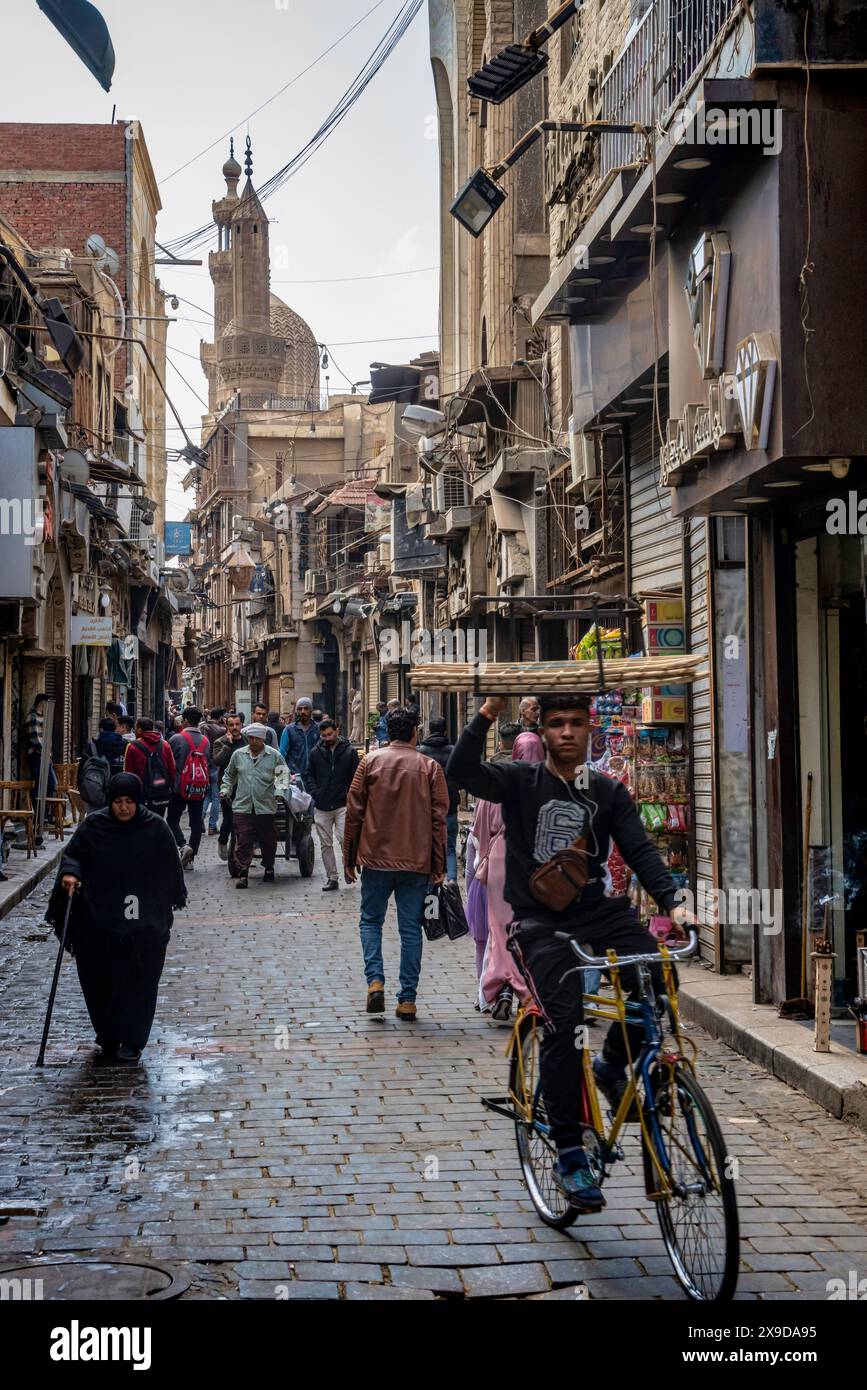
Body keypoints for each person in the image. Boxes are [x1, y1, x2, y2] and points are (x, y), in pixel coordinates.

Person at [447, 692, 692, 1210]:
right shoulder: (519, 780)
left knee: (657, 982)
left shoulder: (607, 790)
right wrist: (489, 710)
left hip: (595, 909)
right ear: (544, 730)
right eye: (556, 722)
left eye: (576, 723)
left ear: (588, 730)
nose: (565, 732)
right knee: (564, 1019)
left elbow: (640, 850)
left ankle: (611, 1064)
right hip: (537, 921)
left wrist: (676, 901)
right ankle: (568, 1151)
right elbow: (461, 769)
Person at [45, 772, 187, 1065]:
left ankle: (133, 1040)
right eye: (118, 802)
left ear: (138, 801)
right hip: (99, 920)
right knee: (100, 980)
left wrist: (157, 909)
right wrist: (71, 874)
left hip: (143, 925)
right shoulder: (95, 826)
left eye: (129, 802)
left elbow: (170, 874)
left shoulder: (156, 829)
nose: (123, 808)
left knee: (139, 982)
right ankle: (107, 1034)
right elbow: (73, 855)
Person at [344, 707, 448, 1022]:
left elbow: (354, 812)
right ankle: (408, 1000)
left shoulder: (370, 762)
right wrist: (439, 863)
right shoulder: (429, 767)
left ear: (388, 733)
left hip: (375, 859)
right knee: (410, 930)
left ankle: (375, 981)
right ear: (415, 732)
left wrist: (349, 857)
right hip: (415, 861)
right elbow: (438, 820)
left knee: (370, 922)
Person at [220, 723, 289, 889]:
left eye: (257, 738)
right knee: (243, 839)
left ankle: (269, 867)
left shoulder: (274, 756)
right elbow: (229, 776)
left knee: (268, 839)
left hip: (265, 805)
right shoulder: (238, 755)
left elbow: (282, 775)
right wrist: (225, 789)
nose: (253, 741)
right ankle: (243, 873)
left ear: (263, 739)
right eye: (251, 738)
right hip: (242, 805)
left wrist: (279, 791)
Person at [306, 718, 359, 892]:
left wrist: (350, 794)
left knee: (345, 839)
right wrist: (315, 792)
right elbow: (309, 775)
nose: (327, 738)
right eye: (324, 735)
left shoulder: (349, 752)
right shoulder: (315, 752)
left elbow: (356, 777)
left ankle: (348, 868)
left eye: (329, 734)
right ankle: (332, 877)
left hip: (343, 803)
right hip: (322, 805)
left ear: (337, 730)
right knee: (325, 843)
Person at [167, 707, 211, 870]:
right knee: (196, 823)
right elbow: (208, 762)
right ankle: (191, 860)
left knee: (172, 819)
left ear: (185, 720)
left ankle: (183, 846)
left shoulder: (176, 739)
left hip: (179, 787)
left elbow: (170, 765)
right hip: (198, 788)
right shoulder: (206, 741)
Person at [418, 717, 461, 881]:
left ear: (429, 731)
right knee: (449, 848)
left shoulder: (420, 752)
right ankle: (452, 883)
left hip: (426, 809)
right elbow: (460, 777)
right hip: (450, 807)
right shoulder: (453, 750)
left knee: (428, 848)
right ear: (445, 731)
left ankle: (430, 885)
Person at [211, 713, 247, 861]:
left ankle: (242, 849)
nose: (234, 727)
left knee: (244, 819)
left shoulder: (247, 741)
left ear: (241, 725)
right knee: (229, 819)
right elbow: (217, 761)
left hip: (245, 786)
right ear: (227, 726)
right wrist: (228, 745)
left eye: (237, 724)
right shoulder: (220, 742)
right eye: (231, 725)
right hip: (228, 787)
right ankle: (223, 840)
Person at [124, 717, 176, 816]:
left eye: (135, 727)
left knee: (140, 822)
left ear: (139, 729)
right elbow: (172, 769)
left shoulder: (132, 746)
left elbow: (128, 773)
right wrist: (169, 787)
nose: (134, 730)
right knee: (158, 820)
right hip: (160, 790)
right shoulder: (165, 745)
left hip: (141, 792)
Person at [24, 691, 57, 814]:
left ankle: (45, 814)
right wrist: (45, 753)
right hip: (37, 755)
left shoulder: (42, 717)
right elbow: (35, 739)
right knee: (40, 784)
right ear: (42, 704)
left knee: (51, 784)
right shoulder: (33, 717)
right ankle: (37, 813)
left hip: (45, 755)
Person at [200, 708, 226, 836]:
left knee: (207, 795)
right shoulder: (222, 730)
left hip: (204, 765)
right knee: (216, 797)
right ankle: (212, 826)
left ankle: (200, 818)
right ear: (221, 717)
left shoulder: (202, 727)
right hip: (216, 766)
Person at [280, 697, 320, 775]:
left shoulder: (318, 729)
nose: (303, 711)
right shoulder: (289, 730)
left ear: (311, 710)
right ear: (296, 711)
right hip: (295, 776)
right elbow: (282, 755)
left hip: (315, 776)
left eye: (306, 708)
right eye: (299, 709)